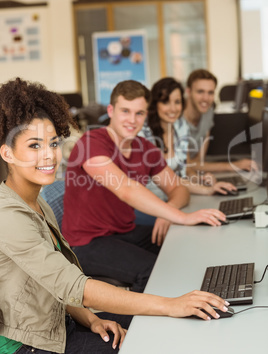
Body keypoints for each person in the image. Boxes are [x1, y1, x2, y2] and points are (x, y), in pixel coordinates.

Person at [0, 77, 230, 354]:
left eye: (53, 143)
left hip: (58, 320)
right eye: (35, 146)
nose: (49, 155)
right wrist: (171, 305)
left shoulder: (35, 202)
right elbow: (72, 283)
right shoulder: (9, 216)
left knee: (161, 321)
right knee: (154, 334)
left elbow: (55, 286)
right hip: (28, 342)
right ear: (7, 153)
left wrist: (91, 317)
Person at [62, 80, 227, 290]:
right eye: (125, 111)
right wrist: (182, 217)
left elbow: (178, 188)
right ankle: (137, 322)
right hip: (86, 243)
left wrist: (170, 210)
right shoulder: (91, 142)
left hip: (123, 232)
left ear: (146, 115)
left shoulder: (145, 148)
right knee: (152, 270)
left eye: (139, 113)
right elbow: (126, 189)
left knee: (184, 244)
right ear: (111, 111)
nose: (132, 120)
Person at [136, 77, 237, 226]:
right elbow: (166, 181)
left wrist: (202, 181)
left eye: (177, 102)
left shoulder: (180, 126)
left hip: (174, 198)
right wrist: (204, 190)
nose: (173, 108)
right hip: (148, 205)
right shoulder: (143, 134)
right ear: (155, 104)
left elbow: (181, 173)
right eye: (165, 102)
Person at [183, 68, 258, 173]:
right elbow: (187, 165)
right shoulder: (177, 119)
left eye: (210, 93)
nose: (206, 98)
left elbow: (199, 161)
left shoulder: (208, 111)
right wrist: (233, 165)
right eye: (200, 92)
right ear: (188, 91)